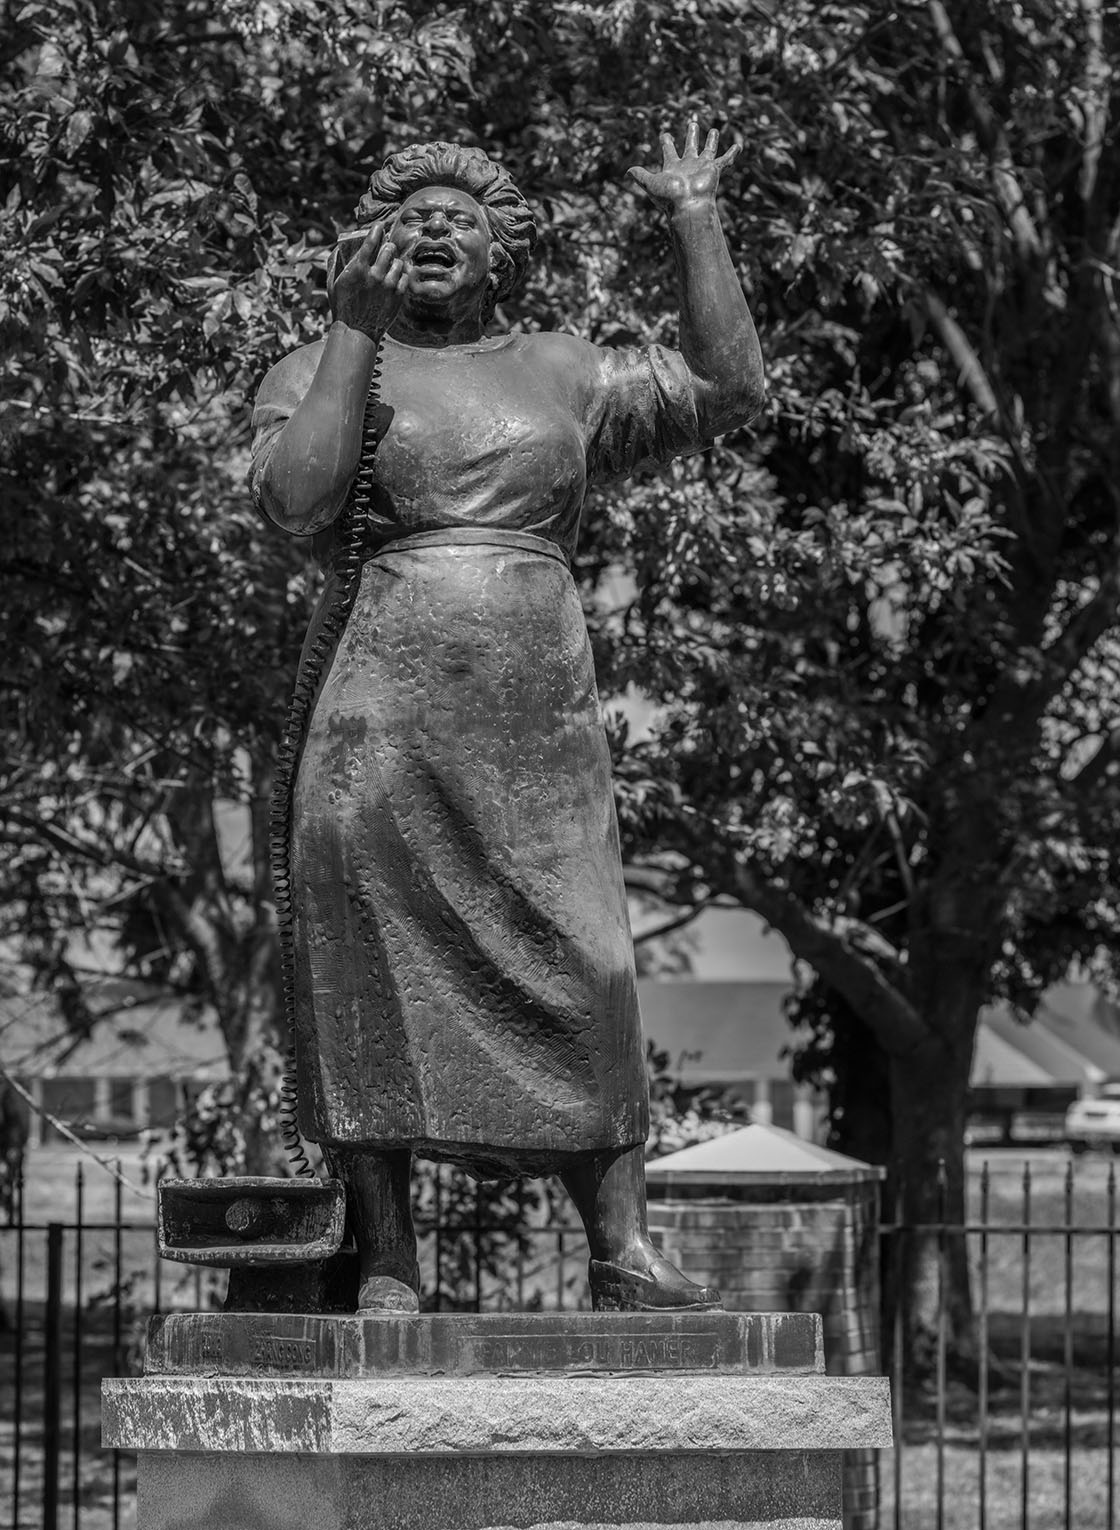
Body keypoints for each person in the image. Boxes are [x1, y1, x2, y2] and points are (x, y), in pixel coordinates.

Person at [250, 122, 766, 1314]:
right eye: (412, 217)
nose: (436, 230)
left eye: (462, 218)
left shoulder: (562, 369)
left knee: (585, 959)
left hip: (534, 708)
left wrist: (695, 219)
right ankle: (385, 1255)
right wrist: (346, 331)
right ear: (369, 246)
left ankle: (620, 1245)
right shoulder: (323, 366)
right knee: (370, 965)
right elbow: (295, 502)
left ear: (503, 253)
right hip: (383, 709)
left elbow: (728, 391)